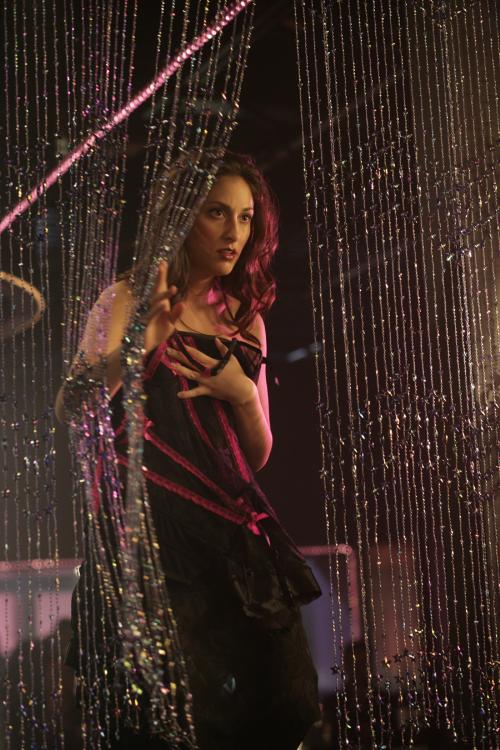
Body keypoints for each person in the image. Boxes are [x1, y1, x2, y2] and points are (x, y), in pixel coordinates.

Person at [56, 152, 321, 750]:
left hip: (233, 539)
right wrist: (137, 345)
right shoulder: (128, 298)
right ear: (181, 216)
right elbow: (71, 407)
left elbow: (256, 456)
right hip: (155, 539)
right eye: (217, 213)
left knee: (277, 706)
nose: (235, 233)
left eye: (246, 218)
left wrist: (242, 395)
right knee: (164, 718)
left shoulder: (246, 318)